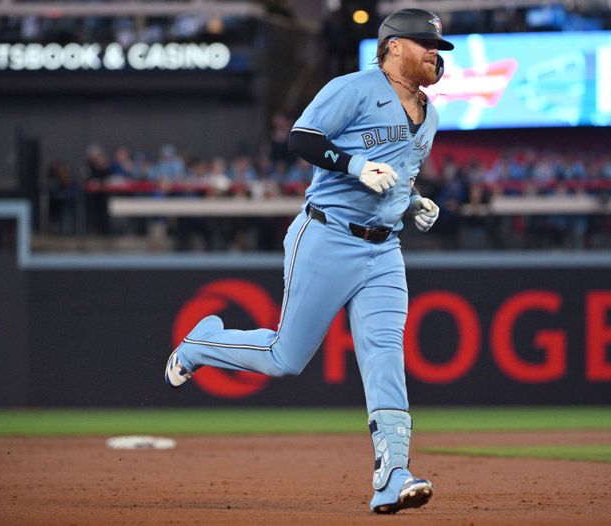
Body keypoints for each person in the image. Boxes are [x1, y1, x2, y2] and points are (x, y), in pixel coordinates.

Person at [164, 7, 453, 514]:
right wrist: (355, 164)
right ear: (393, 47)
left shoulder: (430, 114)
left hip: (384, 248)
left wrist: (414, 203)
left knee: (385, 353)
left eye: (437, 47)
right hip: (327, 236)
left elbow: (398, 179)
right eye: (423, 43)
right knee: (285, 357)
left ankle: (392, 474)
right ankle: (198, 343)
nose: (434, 53)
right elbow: (301, 137)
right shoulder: (356, 88)